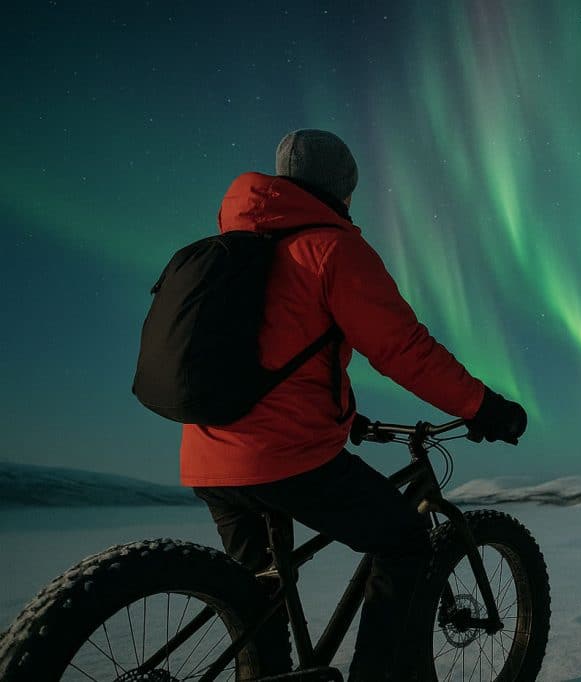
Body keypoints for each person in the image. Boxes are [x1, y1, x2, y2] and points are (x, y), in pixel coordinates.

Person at [183, 129, 527, 681]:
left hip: (209, 455)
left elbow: (277, 355)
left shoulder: (237, 245)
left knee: (260, 599)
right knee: (407, 543)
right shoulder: (332, 247)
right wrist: (481, 405)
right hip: (283, 455)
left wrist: (346, 414)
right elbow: (402, 349)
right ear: (341, 188)